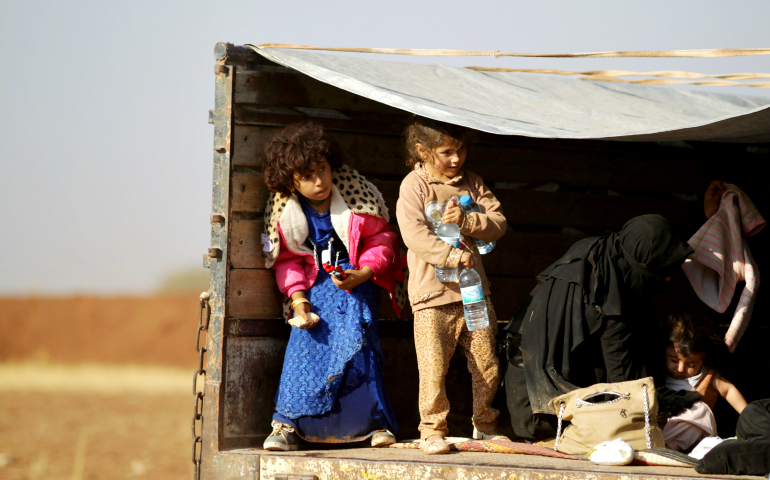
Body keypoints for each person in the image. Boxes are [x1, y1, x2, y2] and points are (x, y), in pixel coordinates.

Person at [260, 122, 405, 451]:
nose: (320, 181)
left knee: (357, 331)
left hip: (358, 282)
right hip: (313, 290)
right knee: (304, 341)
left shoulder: (355, 198)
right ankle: (286, 425)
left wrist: (364, 273)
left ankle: (375, 426)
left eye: (322, 169)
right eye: (308, 175)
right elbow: (287, 263)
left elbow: (383, 240)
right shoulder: (286, 214)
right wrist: (299, 302)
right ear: (291, 181)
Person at [503, 214, 694, 442]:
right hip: (543, 416)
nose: (668, 280)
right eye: (662, 273)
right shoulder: (610, 299)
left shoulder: (598, 253)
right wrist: (645, 415)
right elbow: (622, 377)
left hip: (526, 394)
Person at [395, 117, 508, 455]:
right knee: (433, 367)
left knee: (486, 361)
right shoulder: (414, 186)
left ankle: (485, 426)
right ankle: (432, 431)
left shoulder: (472, 183)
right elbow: (414, 234)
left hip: (474, 291)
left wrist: (469, 220)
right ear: (422, 150)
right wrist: (451, 256)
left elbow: (498, 223)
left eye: (461, 150)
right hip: (431, 295)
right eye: (447, 152)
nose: (456, 159)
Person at [661, 313, 747, 452]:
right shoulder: (659, 374)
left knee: (699, 410)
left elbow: (728, 390)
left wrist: (750, 416)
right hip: (665, 432)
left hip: (695, 434)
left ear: (703, 360)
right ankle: (664, 447)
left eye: (691, 364)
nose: (680, 369)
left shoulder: (705, 374)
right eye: (674, 360)